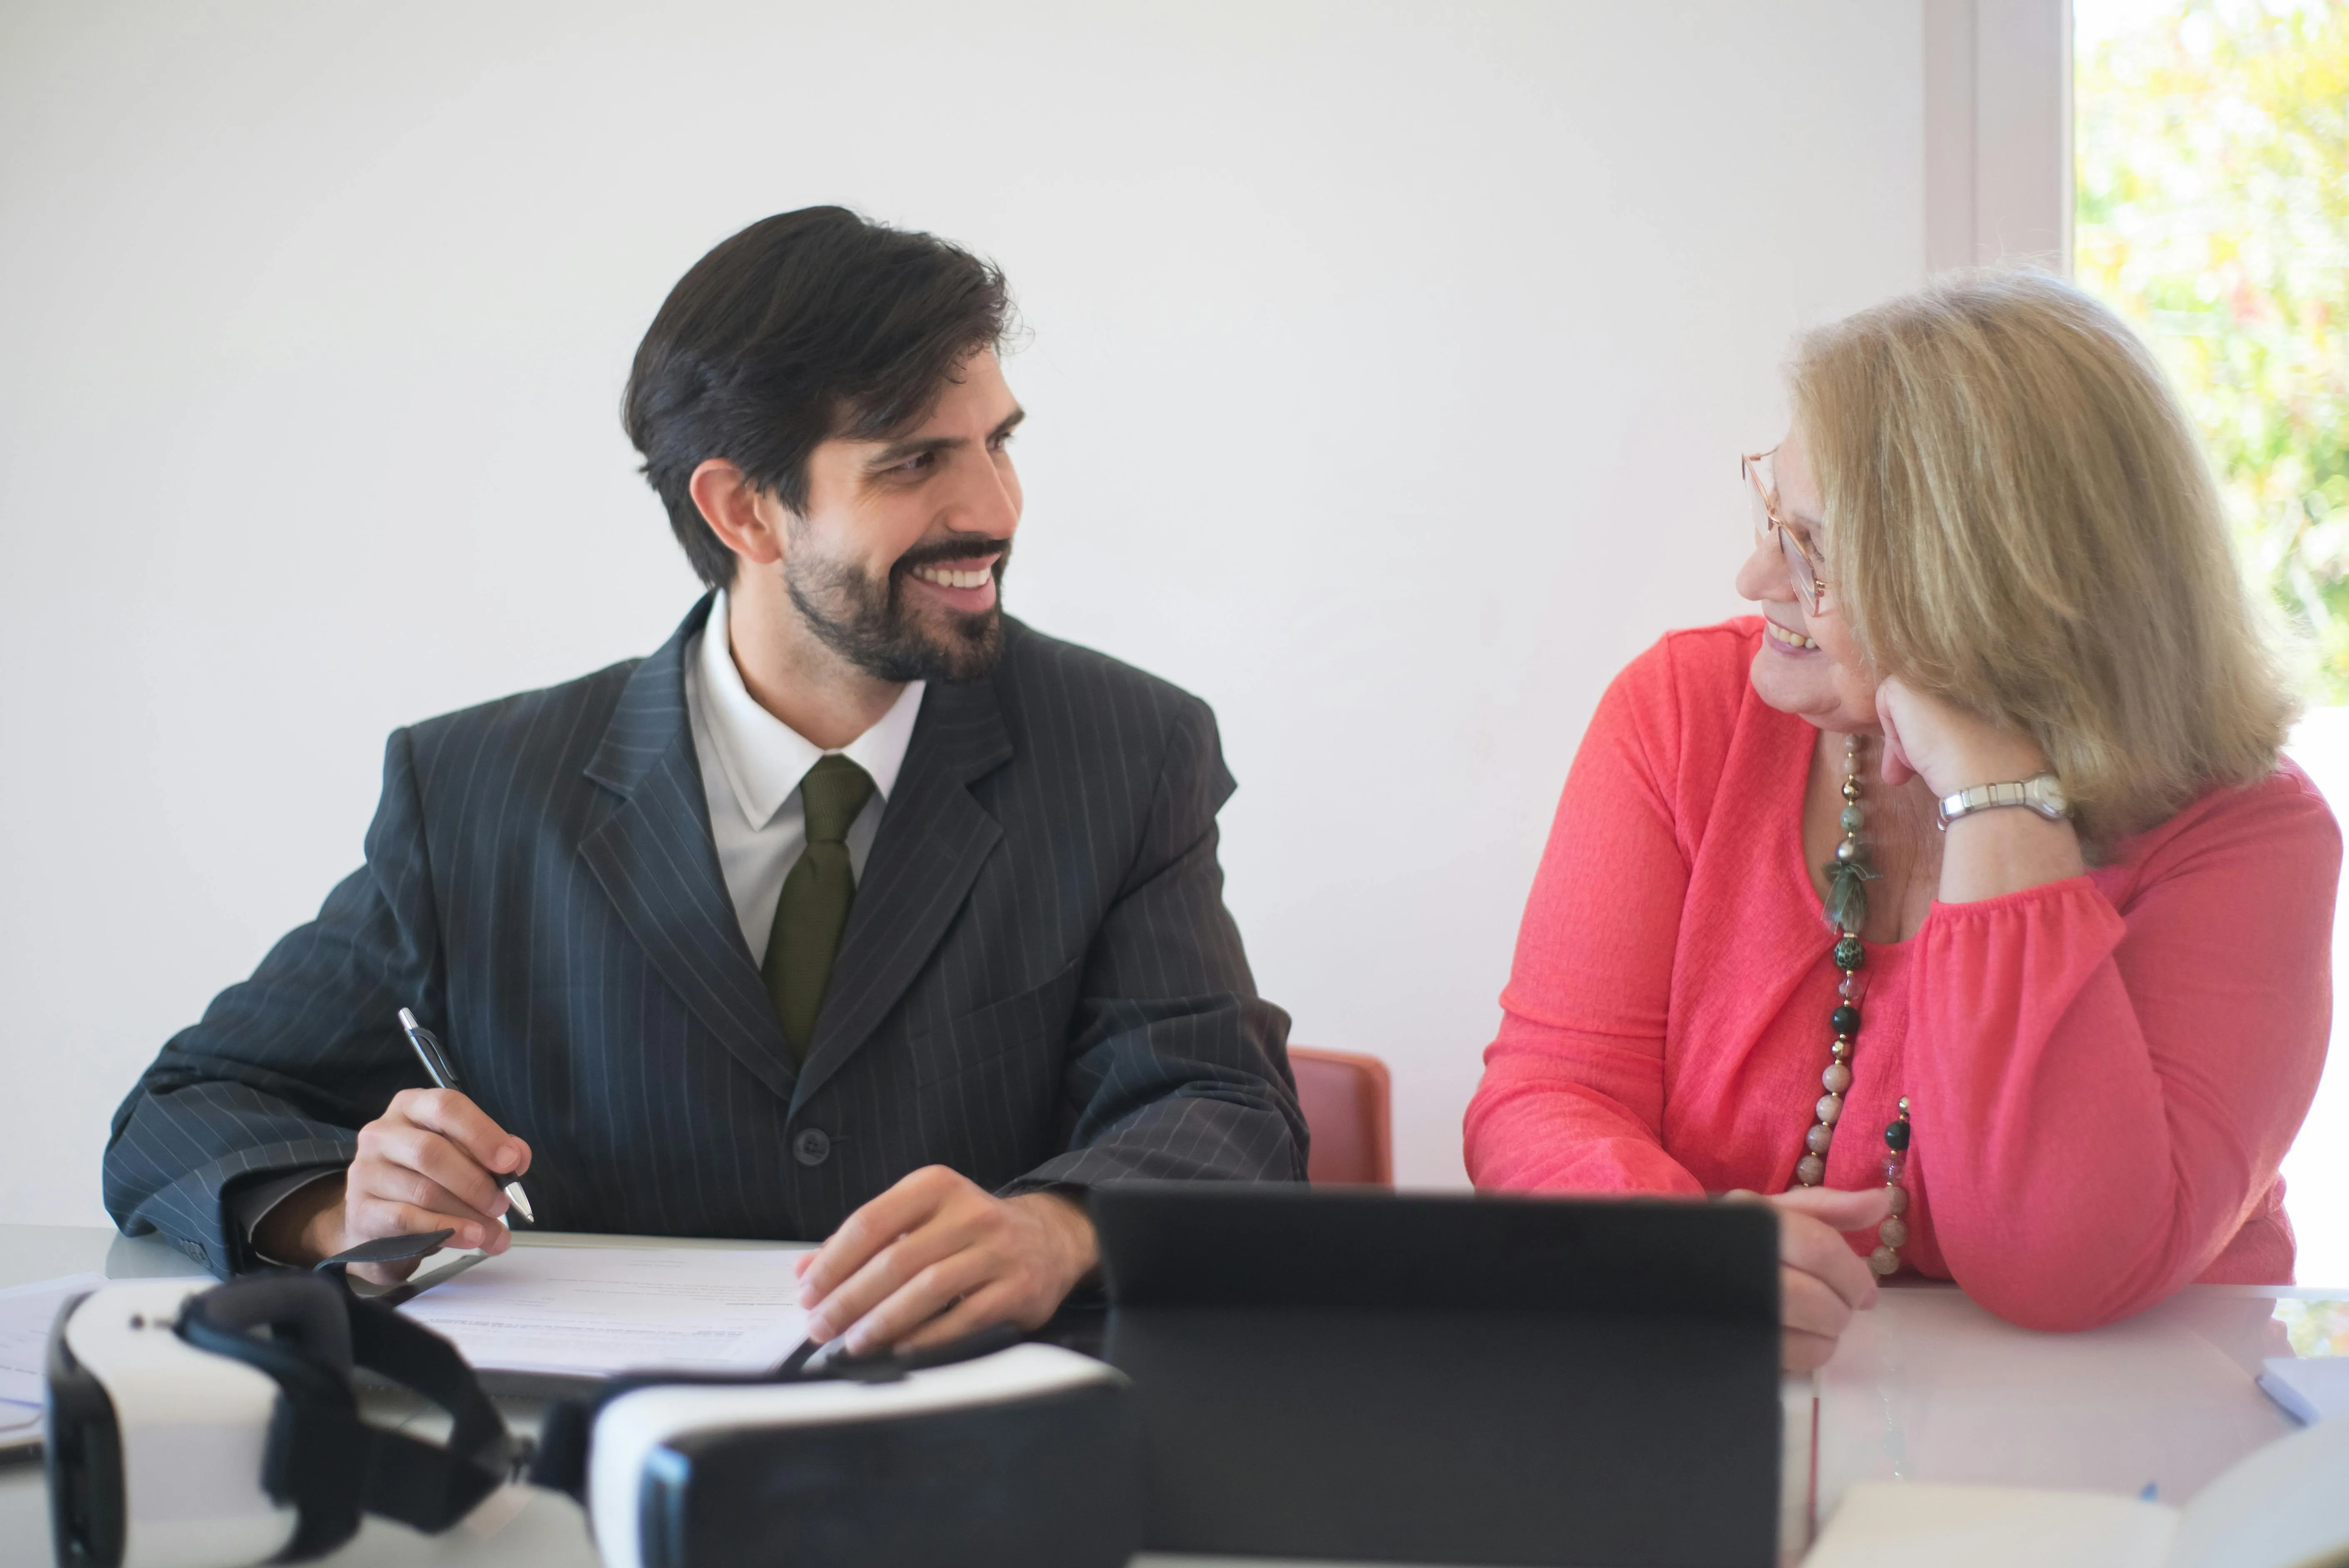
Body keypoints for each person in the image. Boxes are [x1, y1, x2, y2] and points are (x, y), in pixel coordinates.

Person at [105, 207, 1305, 1356]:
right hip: (586, 1467)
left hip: (987, 1441)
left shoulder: (1127, 744)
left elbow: (1222, 1106)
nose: (994, 508)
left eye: (998, 440)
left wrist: (1054, 1229)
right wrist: (339, 1207)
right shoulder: (475, 790)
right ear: (744, 508)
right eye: (915, 462)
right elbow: (187, 1102)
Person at [1464, 271, 2338, 1369]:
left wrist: (1992, 787)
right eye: (1769, 518)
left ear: (1983, 585)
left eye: (1814, 551)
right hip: (1750, 1404)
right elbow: (1544, 1097)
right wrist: (1666, 1250)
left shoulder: (2245, 835)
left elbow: (2060, 1265)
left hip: (2127, 1445)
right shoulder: (1684, 713)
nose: (1752, 577)